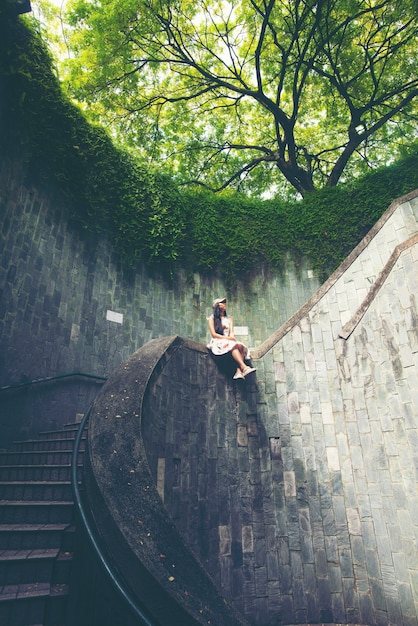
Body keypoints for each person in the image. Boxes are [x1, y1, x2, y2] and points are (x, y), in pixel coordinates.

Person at [207, 297, 256, 380]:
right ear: (217, 306)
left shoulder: (229, 318)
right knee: (233, 345)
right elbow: (213, 334)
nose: (225, 304)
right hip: (218, 341)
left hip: (228, 340)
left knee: (240, 346)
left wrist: (232, 338)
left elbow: (232, 332)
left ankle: (238, 371)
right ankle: (244, 368)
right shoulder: (212, 318)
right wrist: (227, 338)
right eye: (222, 303)